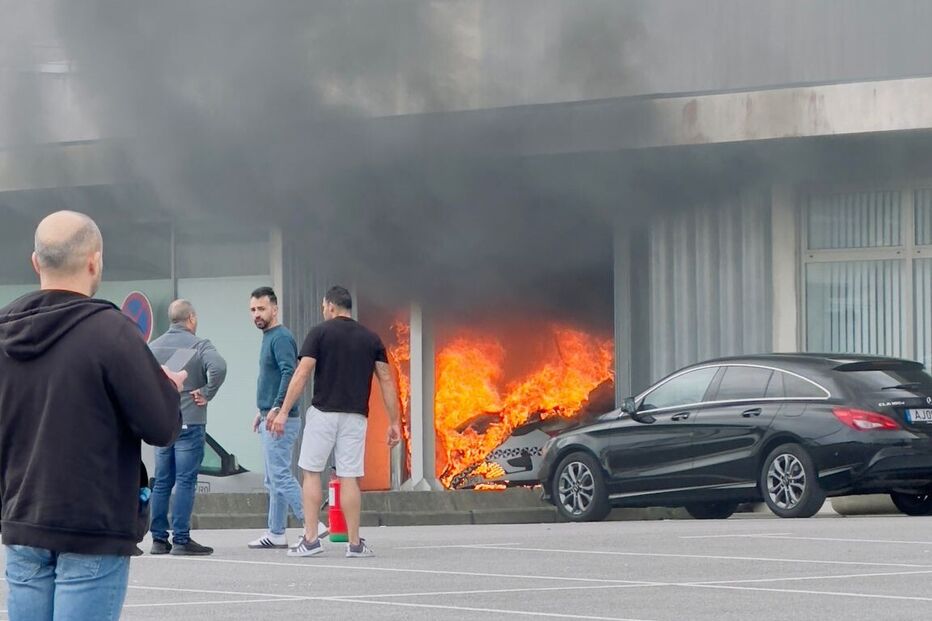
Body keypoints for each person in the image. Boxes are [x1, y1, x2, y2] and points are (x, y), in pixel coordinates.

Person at [0, 211, 184, 621]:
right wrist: (167, 387)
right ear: (94, 261)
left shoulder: (4, 331)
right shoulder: (111, 332)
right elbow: (161, 427)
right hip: (93, 526)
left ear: (36, 262)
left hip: (23, 519)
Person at [268, 285, 401, 558]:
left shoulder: (319, 332)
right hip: (356, 416)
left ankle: (311, 540)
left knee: (311, 472)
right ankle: (354, 544)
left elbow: (302, 373)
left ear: (330, 306)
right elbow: (386, 379)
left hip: (323, 413)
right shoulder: (371, 338)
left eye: (323, 307)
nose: (323, 311)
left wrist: (283, 411)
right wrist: (394, 422)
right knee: (349, 476)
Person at [247, 286, 327, 549]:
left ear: (275, 309)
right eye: (253, 310)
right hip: (271, 415)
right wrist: (262, 412)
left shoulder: (281, 337)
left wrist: (276, 408)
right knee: (273, 479)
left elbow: (288, 373)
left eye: (261, 308)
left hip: (281, 418)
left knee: (280, 475)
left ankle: (312, 523)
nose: (256, 314)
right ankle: (276, 532)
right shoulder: (269, 337)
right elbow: (271, 378)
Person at [147, 299, 228, 556]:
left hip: (163, 422)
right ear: (191, 318)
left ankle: (158, 539)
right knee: (185, 480)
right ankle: (181, 539)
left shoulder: (152, 347)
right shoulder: (199, 344)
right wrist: (206, 392)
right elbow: (219, 367)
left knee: (162, 481)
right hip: (190, 421)